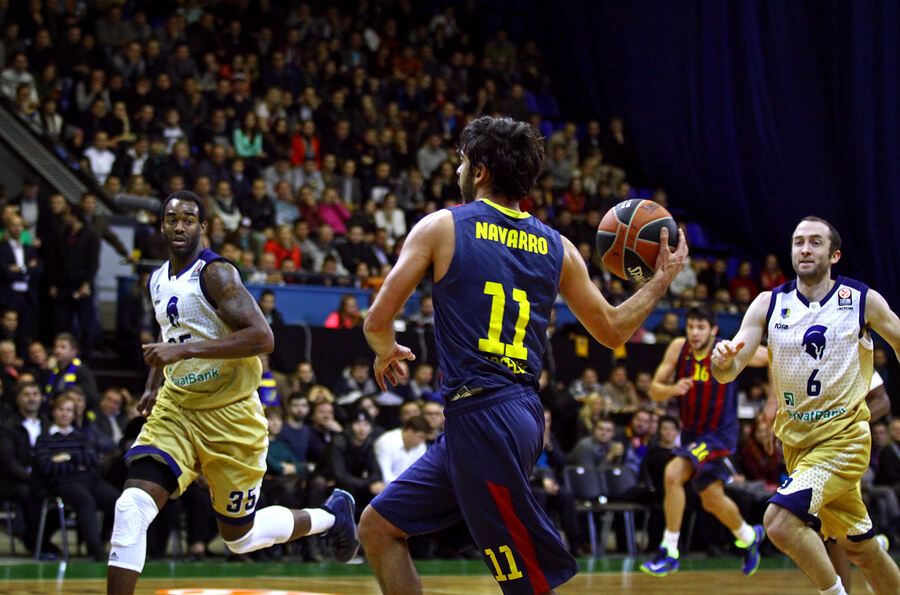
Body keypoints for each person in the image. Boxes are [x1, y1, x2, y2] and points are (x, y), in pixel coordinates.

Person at [359, 115, 687, 595]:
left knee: (525, 581)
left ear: (482, 171)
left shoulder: (442, 226)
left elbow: (375, 321)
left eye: (463, 160)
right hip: (512, 415)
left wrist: (386, 350)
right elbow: (614, 331)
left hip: (484, 417)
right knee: (379, 526)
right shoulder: (559, 247)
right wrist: (660, 280)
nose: (458, 170)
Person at [106, 191, 359, 595]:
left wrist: (183, 350)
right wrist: (155, 383)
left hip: (232, 416)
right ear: (161, 225)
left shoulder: (216, 274)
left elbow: (263, 337)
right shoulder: (157, 278)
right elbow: (170, 327)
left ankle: (331, 516)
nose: (179, 225)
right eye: (171, 218)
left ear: (203, 227)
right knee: (130, 507)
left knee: (239, 538)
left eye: (188, 219)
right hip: (178, 409)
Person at [712, 216, 900, 595]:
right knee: (861, 547)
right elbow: (730, 369)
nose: (805, 249)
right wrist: (722, 361)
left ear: (834, 255)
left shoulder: (861, 300)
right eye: (799, 242)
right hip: (797, 447)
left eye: (815, 242)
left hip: (844, 441)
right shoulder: (769, 303)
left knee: (778, 522)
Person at [641, 304, 769, 577]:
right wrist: (672, 389)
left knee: (673, 474)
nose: (695, 333)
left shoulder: (728, 348)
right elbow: (653, 390)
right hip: (692, 434)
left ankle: (669, 550)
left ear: (713, 330)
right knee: (712, 499)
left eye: (701, 328)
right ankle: (749, 537)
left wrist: (773, 402)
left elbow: (771, 356)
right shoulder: (679, 348)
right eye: (691, 327)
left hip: (718, 434)